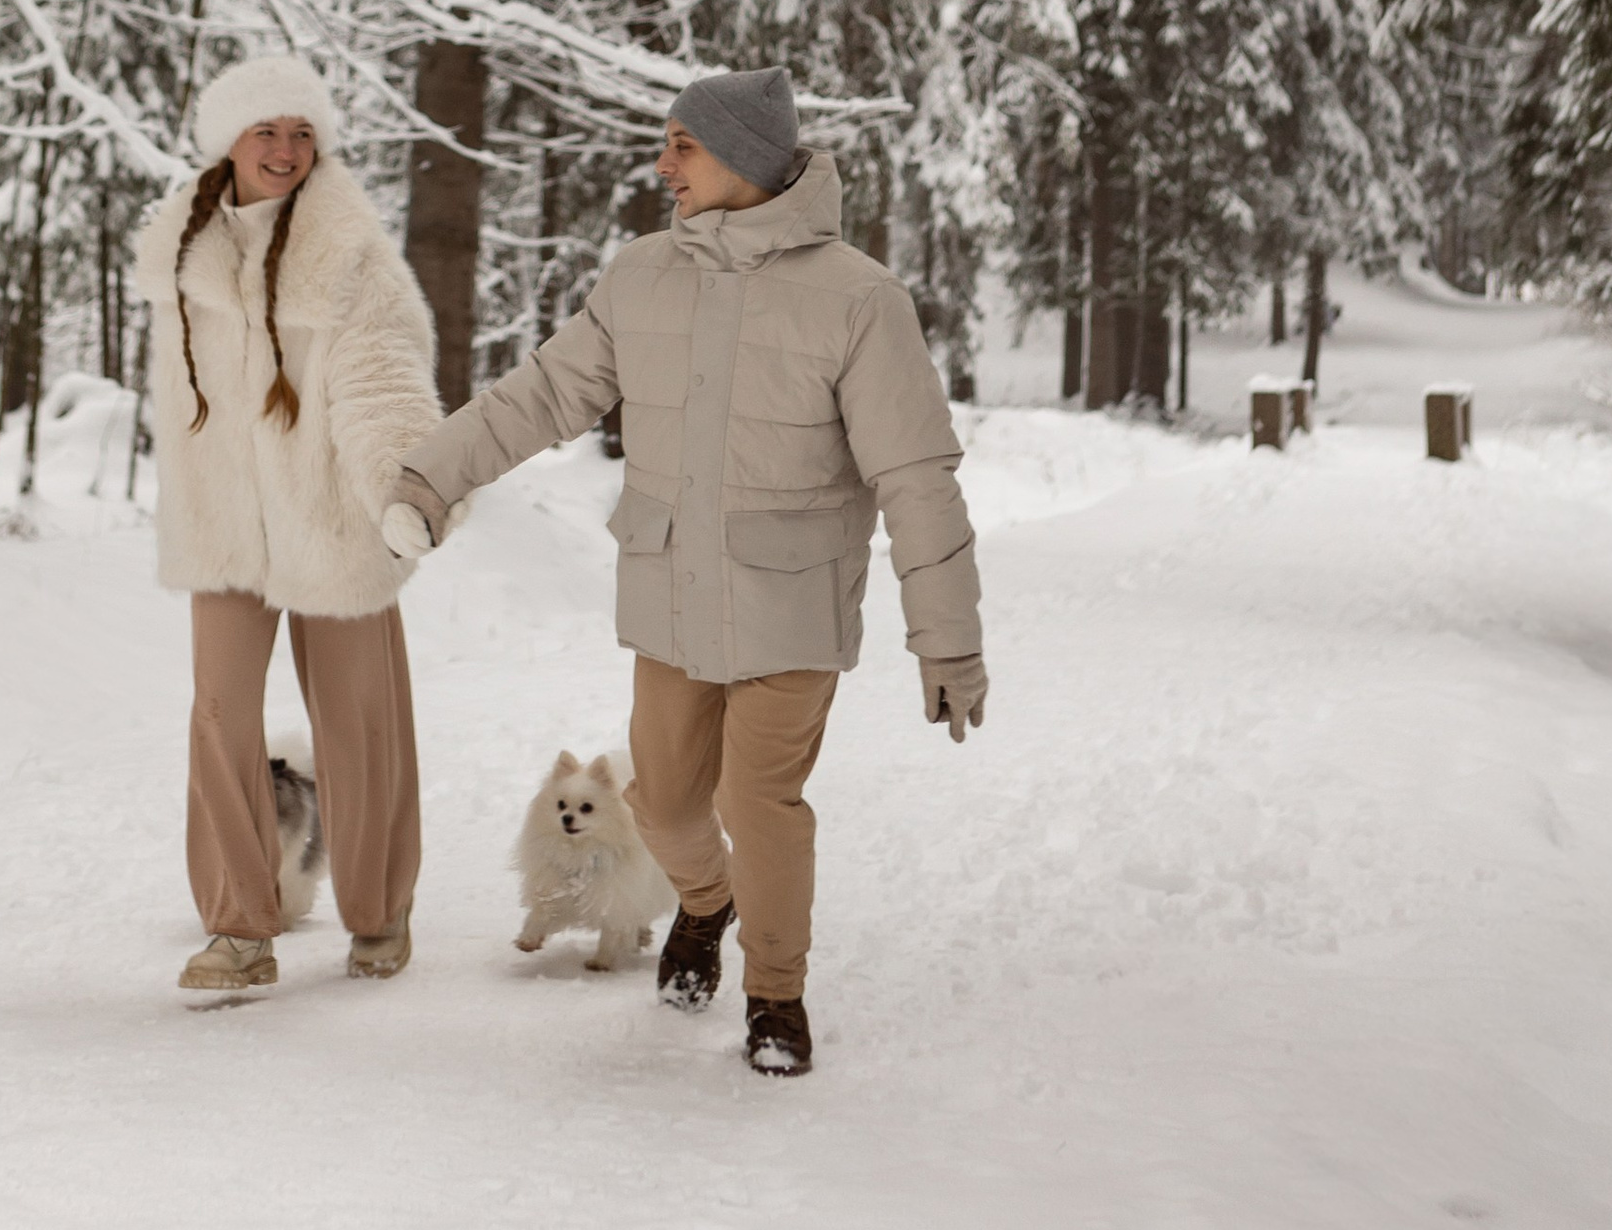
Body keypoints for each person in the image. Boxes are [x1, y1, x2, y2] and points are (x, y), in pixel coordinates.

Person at [382, 64, 985, 1079]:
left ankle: (775, 995)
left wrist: (948, 638)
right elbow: (540, 396)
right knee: (661, 806)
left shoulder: (858, 301)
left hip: (790, 605)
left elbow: (917, 478)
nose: (662, 164)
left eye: (681, 146)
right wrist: (429, 481)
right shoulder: (641, 276)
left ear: (743, 160)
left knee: (760, 804)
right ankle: (706, 903)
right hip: (669, 598)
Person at [135, 52, 442, 1001]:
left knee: (359, 720)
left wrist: (407, 487)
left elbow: (385, 376)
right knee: (219, 715)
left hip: (334, 522)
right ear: (227, 140)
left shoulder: (349, 253)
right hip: (224, 524)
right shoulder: (182, 252)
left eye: (302, 132)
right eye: (267, 130)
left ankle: (379, 908)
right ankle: (240, 927)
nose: (286, 148)